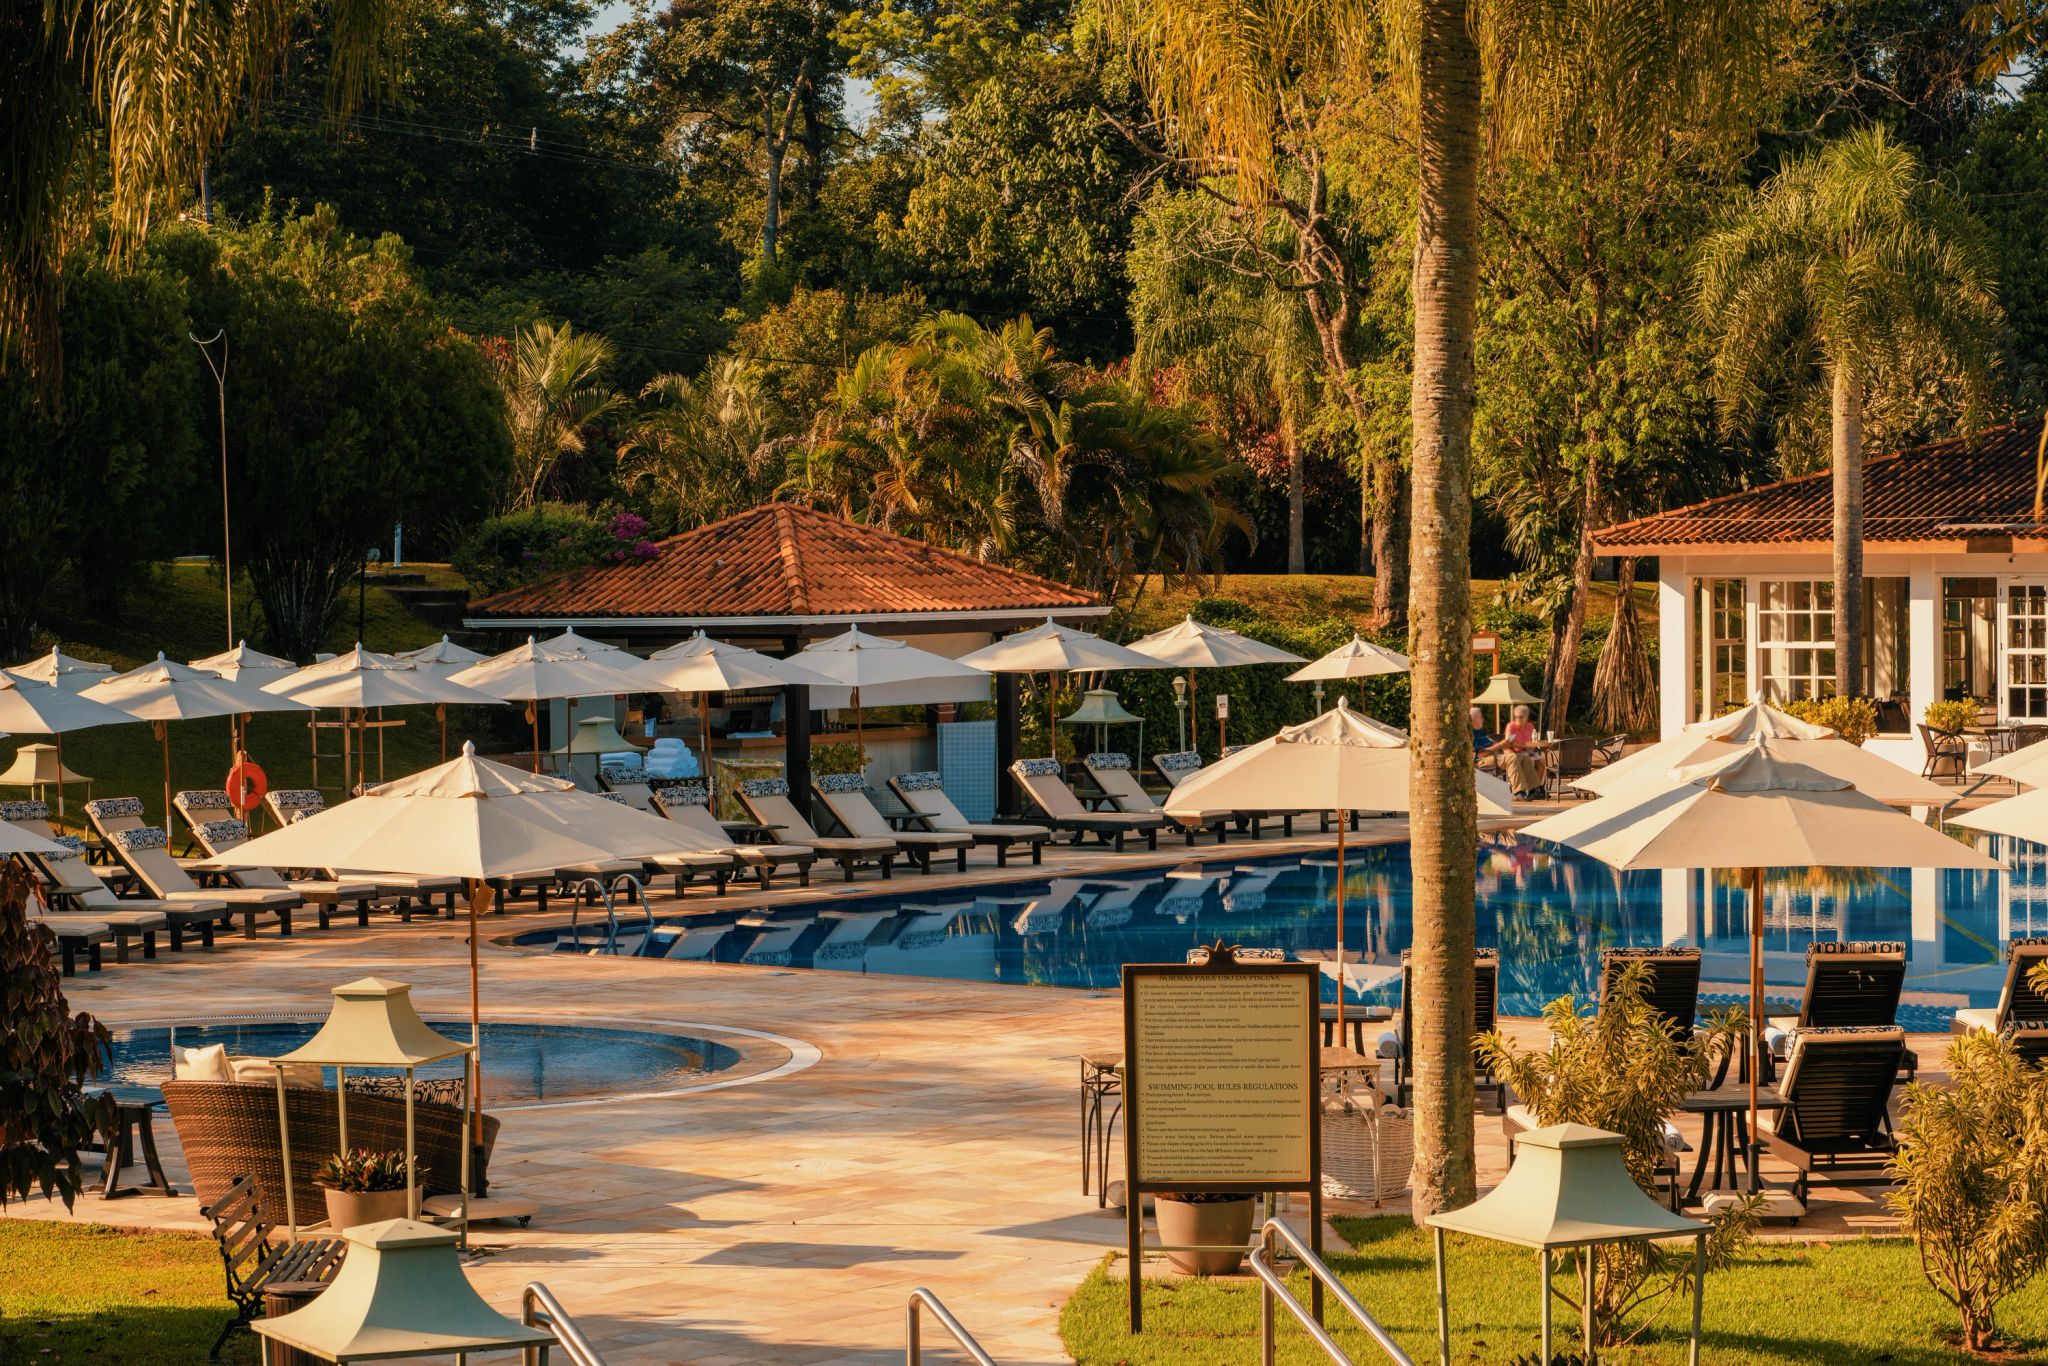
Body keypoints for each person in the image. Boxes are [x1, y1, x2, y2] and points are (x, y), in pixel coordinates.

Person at [1501, 704, 1548, 799]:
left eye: (1521, 717)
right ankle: (1524, 789)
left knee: (1542, 761)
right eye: (1516, 717)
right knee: (1529, 761)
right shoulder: (1511, 726)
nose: (1518, 719)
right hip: (1513, 752)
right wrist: (1523, 746)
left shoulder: (1530, 726)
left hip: (1527, 751)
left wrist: (1529, 747)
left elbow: (1531, 743)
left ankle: (1534, 789)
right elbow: (1508, 743)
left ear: (1526, 717)